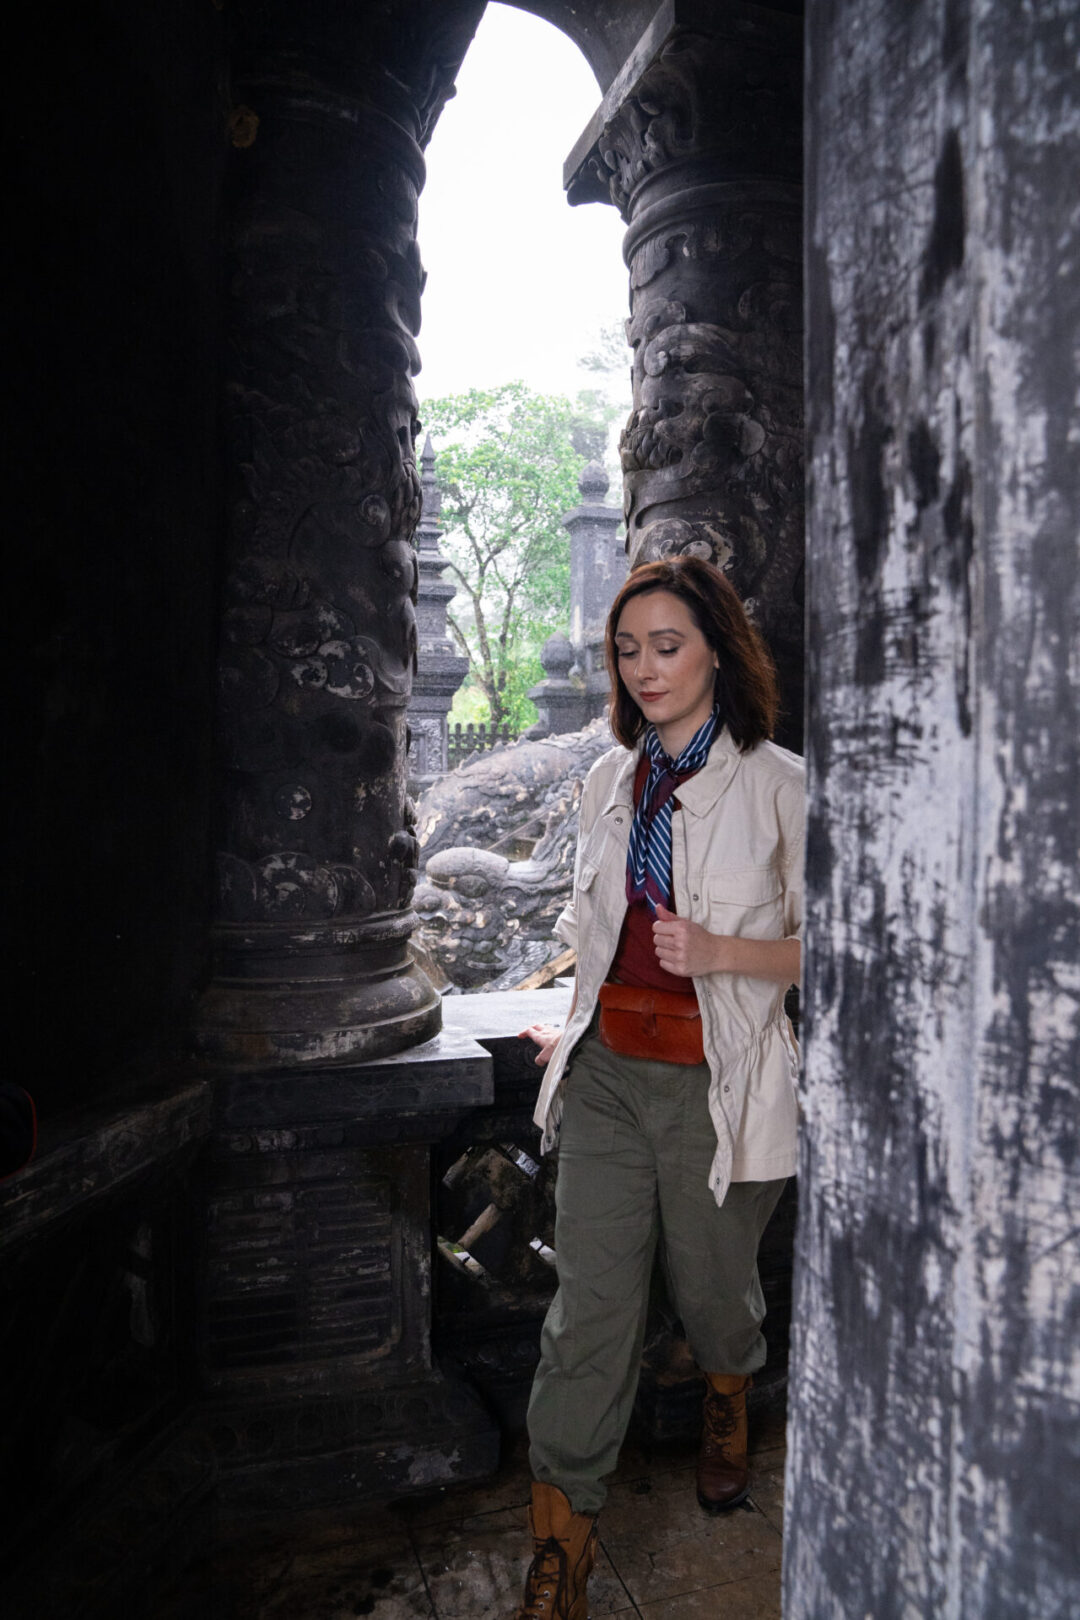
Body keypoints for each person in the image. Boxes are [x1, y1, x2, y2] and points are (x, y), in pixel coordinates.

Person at [512, 555, 804, 1620]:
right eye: (628, 649)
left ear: (718, 652)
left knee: (717, 1294)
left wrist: (722, 946)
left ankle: (727, 1394)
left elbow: (845, 949)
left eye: (667, 644)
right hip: (605, 1079)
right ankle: (562, 1553)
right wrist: (576, 1015)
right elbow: (592, 930)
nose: (644, 667)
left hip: (714, 1085)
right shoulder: (607, 782)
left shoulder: (779, 784)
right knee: (586, 1312)